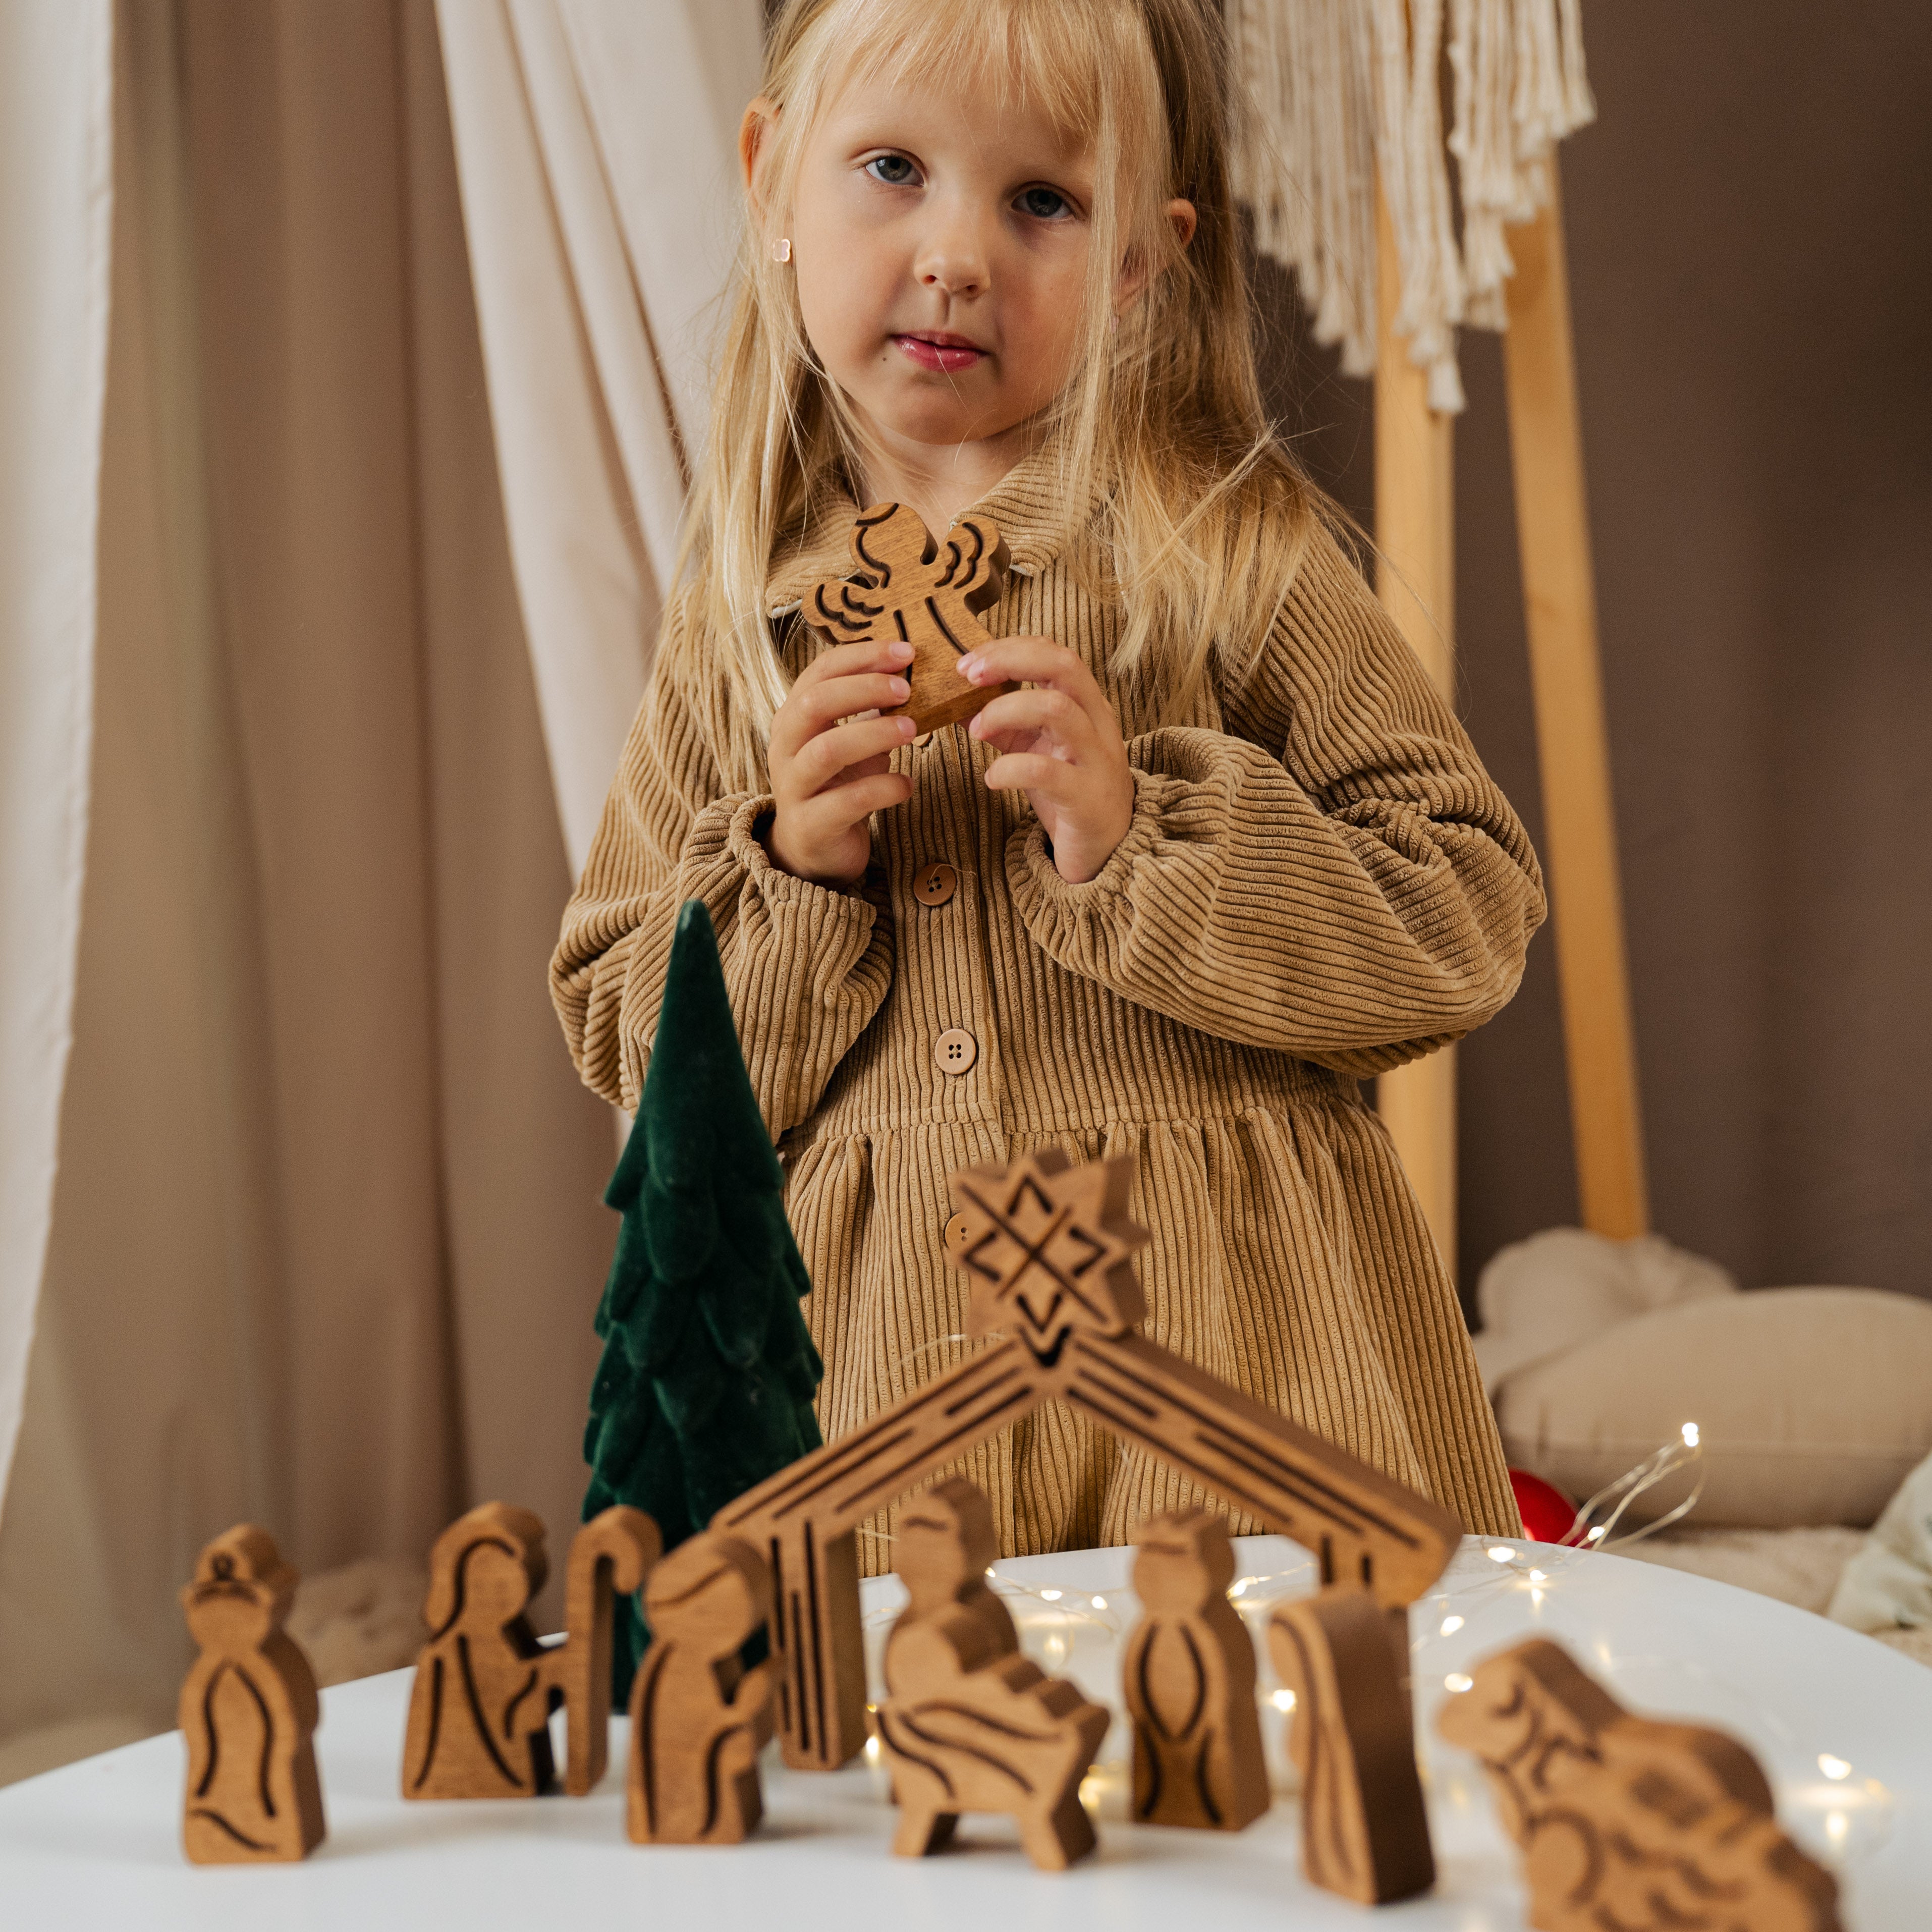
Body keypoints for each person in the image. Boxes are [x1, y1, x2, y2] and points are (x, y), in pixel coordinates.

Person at [551, 0, 1542, 1557]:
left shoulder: (1234, 552)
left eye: (1040, 201)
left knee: (1255, 1703)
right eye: (893, 168)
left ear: (1140, 261)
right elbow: (624, 1025)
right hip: (877, 1406)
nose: (957, 255)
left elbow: (1464, 907)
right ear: (770, 180)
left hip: (1246, 1370)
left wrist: (1150, 836)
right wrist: (791, 878)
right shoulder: (742, 626)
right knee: (924, 1709)